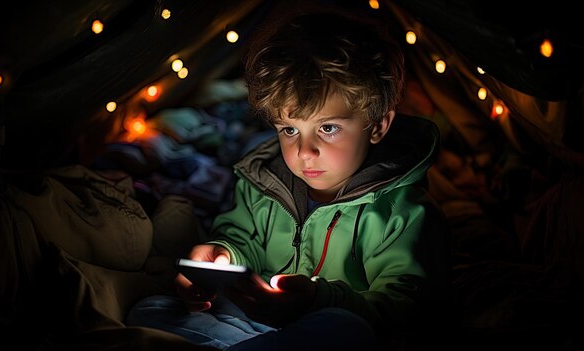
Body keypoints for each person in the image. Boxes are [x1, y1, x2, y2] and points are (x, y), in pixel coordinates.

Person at [126, 8, 449, 350]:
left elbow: (407, 310)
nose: (304, 150)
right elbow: (242, 239)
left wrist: (315, 300)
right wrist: (223, 255)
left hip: (326, 325)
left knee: (346, 329)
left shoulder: (405, 214)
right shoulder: (263, 184)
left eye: (328, 128)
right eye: (290, 129)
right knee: (151, 310)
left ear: (378, 126)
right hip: (255, 323)